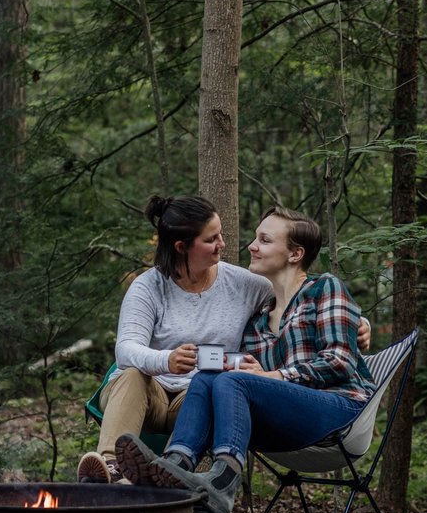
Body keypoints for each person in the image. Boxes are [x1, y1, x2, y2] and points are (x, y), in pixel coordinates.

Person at [78, 196, 371, 483]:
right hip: (148, 393)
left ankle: (170, 471)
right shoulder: (150, 288)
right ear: (182, 247)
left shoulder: (250, 286)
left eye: (263, 241)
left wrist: (355, 321)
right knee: (137, 375)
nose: (232, 245)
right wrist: (165, 360)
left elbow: (304, 296)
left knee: (214, 381)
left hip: (197, 399)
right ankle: (115, 468)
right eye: (212, 238)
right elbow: (126, 349)